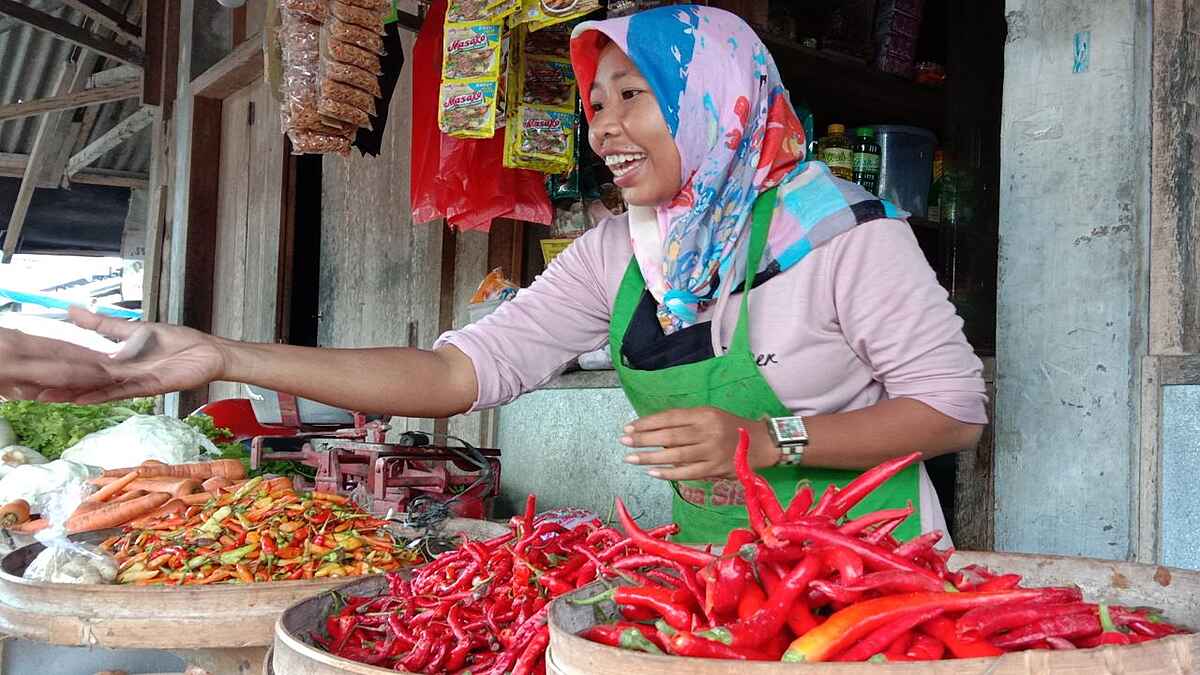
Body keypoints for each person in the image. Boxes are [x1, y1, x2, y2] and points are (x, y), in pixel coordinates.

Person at [0, 6, 985, 543]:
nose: (601, 127)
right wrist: (222, 354)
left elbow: (953, 410)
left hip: (872, 583)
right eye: (595, 104)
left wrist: (772, 439)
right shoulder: (621, 253)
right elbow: (453, 376)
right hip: (718, 577)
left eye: (632, 96)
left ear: (715, 98)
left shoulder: (845, 234)